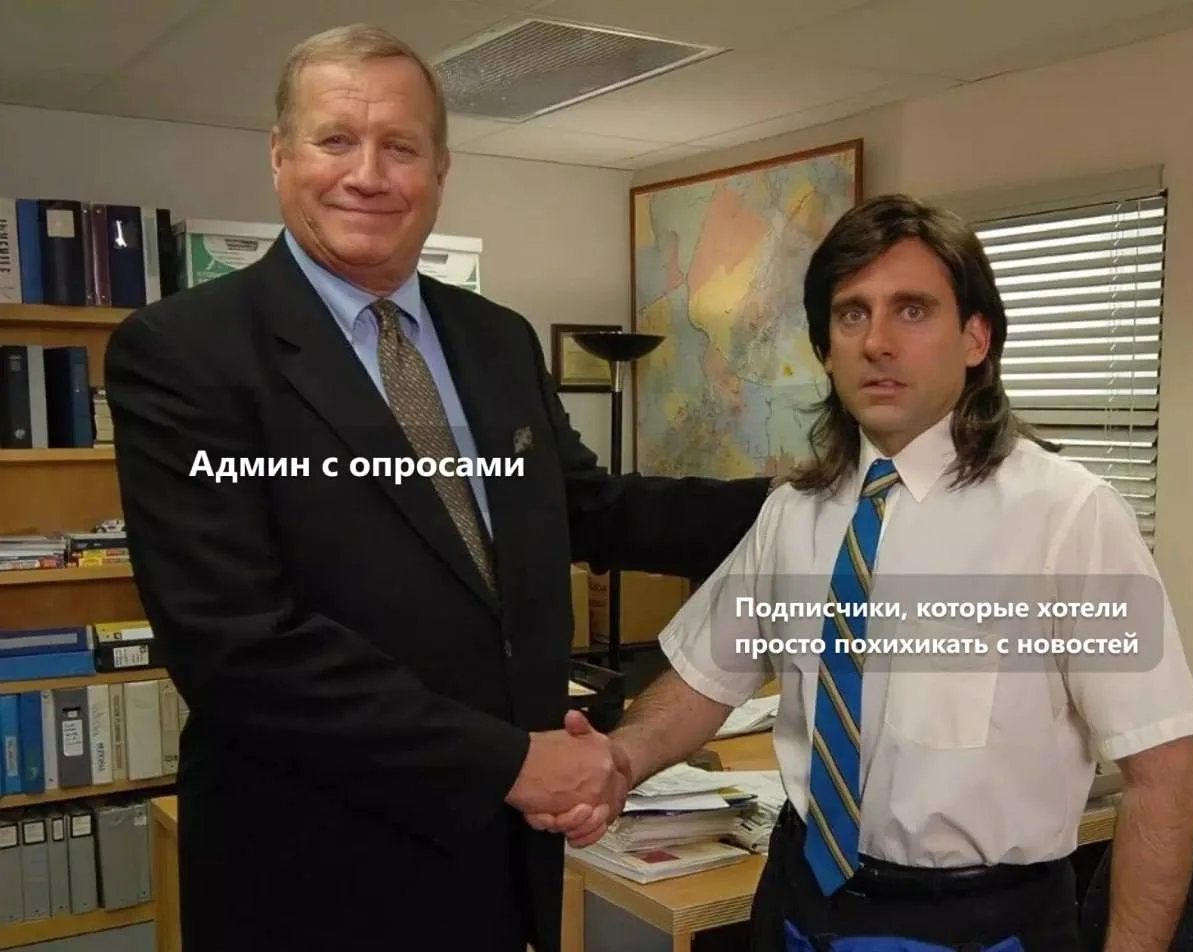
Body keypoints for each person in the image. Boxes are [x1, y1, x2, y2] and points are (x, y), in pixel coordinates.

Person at [103, 22, 771, 952]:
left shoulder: (496, 339)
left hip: (500, 860)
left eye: (400, 147)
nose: (367, 174)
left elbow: (580, 506)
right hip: (313, 872)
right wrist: (508, 763)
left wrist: (792, 501)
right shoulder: (185, 353)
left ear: (440, 170)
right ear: (280, 155)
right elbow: (236, 644)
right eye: (336, 139)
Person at [542, 194, 1193, 950]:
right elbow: (705, 678)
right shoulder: (795, 511)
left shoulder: (1069, 517)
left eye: (912, 311)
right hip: (798, 901)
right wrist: (620, 758)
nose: (877, 342)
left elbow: (1165, 774)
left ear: (976, 338)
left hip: (978, 922)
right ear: (826, 349)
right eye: (852, 314)